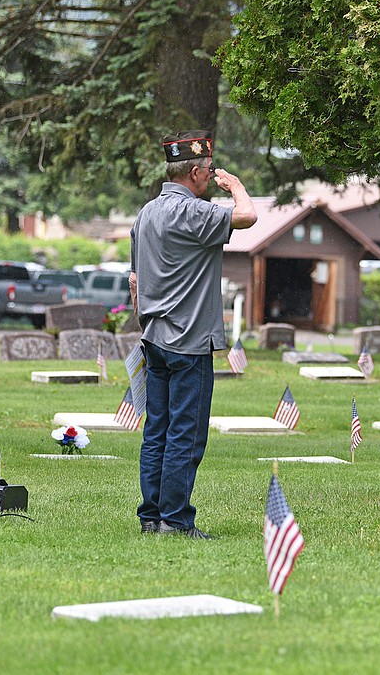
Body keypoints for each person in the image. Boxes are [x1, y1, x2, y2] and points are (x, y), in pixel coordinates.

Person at [130, 130, 256, 538]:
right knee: (186, 434)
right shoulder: (193, 212)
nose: (210, 178)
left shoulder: (145, 214)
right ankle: (176, 520)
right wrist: (235, 186)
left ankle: (151, 516)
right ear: (198, 172)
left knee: (157, 431)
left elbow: (135, 279)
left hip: (154, 338)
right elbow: (248, 217)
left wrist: (143, 321)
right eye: (209, 171)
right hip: (189, 341)